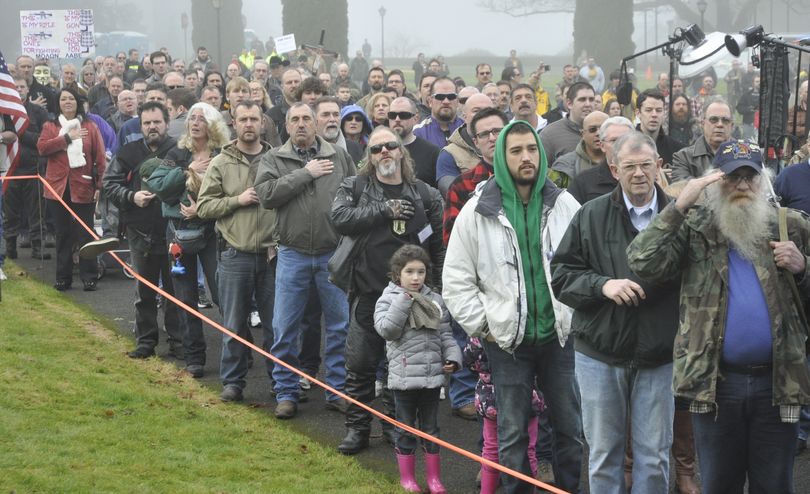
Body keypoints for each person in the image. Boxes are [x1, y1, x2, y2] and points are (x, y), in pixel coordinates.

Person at [627, 139, 810, 494]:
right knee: (718, 484)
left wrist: (804, 268)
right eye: (731, 177)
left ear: (763, 180)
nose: (741, 185)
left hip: (778, 384)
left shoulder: (790, 227)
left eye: (750, 177)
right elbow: (641, 261)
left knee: (774, 485)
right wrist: (679, 205)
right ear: (714, 180)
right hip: (713, 385)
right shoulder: (694, 229)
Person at [442, 121, 583, 493]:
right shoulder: (477, 211)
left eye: (532, 149)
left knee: (571, 429)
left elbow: (587, 263)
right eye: (516, 150)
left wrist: (575, 315)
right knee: (512, 434)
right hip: (506, 342)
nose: (526, 158)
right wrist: (486, 326)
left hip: (559, 337)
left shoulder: (564, 203)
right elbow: (456, 280)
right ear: (501, 158)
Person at [551, 131, 679, 493]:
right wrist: (602, 286)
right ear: (613, 169)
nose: (638, 173)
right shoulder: (590, 215)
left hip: (659, 355)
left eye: (645, 165)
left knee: (654, 457)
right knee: (604, 456)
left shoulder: (678, 218)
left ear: (659, 166)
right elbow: (561, 277)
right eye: (629, 166)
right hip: (599, 355)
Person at [331, 126, 444, 456]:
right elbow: (339, 218)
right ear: (368, 157)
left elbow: (436, 244)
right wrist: (383, 210)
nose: (384, 153)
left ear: (401, 152)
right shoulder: (355, 186)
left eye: (390, 146)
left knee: (401, 370)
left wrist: (434, 289)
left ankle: (396, 429)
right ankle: (357, 429)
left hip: (410, 298)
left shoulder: (425, 193)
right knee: (360, 365)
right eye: (376, 148)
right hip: (368, 293)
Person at [254, 102, 356, 419]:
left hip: (332, 254)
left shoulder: (338, 156)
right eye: (295, 119)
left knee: (339, 326)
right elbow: (266, 194)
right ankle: (286, 392)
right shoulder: (273, 158)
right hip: (292, 254)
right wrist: (304, 174)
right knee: (284, 327)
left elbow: (356, 192)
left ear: (315, 124)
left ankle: (336, 390)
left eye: (306, 119)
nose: (301, 124)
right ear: (286, 126)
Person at [197, 101, 277, 402]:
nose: (248, 124)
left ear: (263, 123)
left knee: (275, 326)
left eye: (254, 119)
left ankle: (280, 382)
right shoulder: (222, 162)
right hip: (234, 254)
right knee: (233, 323)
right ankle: (232, 382)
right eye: (243, 119)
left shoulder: (276, 159)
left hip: (271, 256)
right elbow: (204, 207)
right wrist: (236, 200)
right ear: (234, 123)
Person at [145, 102, 228, 378]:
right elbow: (157, 186)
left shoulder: (223, 153)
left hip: (214, 231)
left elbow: (232, 191)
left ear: (212, 125)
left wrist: (201, 209)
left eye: (201, 119)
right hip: (178, 233)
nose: (194, 123)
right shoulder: (178, 152)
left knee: (222, 294)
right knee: (185, 297)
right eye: (191, 118)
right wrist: (186, 171)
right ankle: (194, 358)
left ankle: (238, 351)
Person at [375, 244, 461, 494]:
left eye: (421, 272)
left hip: (432, 378)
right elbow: (387, 330)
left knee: (432, 430)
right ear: (397, 274)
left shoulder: (435, 300)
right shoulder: (388, 299)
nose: (415, 278)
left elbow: (446, 335)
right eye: (409, 272)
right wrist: (404, 300)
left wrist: (453, 358)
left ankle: (434, 479)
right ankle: (407, 479)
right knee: (404, 429)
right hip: (403, 380)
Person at [104, 101, 183, 359]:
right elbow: (109, 183)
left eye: (156, 122)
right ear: (141, 125)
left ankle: (179, 340)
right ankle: (146, 341)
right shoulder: (128, 151)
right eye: (147, 123)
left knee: (175, 290)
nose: (152, 127)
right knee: (145, 290)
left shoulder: (180, 150)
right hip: (140, 232)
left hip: (175, 231)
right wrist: (131, 196)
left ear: (166, 123)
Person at [37, 87, 106, 291]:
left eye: (71, 99)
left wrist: (99, 185)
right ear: (58, 102)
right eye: (63, 99)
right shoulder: (50, 126)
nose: (67, 102)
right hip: (57, 187)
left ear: (78, 102)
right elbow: (42, 148)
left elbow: (100, 158)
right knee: (63, 233)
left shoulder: (90, 126)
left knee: (85, 233)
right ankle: (63, 277)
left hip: (83, 186)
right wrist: (67, 138)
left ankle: (89, 276)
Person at [463, 336, 545, 493]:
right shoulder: (528, 330)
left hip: (492, 398)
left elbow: (471, 359)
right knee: (527, 450)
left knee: (492, 449)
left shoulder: (483, 328)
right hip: (525, 396)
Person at [4, 76, 51, 262]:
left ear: (27, 90)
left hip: (33, 169)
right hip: (9, 169)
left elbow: (45, 139)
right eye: (15, 86)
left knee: (36, 212)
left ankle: (37, 247)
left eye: (22, 86)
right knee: (10, 213)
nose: (19, 89)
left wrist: (20, 133)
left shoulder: (38, 112)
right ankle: (10, 247)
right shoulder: (4, 113)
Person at [670, 98, 734, 182]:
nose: (720, 124)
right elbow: (682, 190)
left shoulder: (745, 156)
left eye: (725, 120)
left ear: (732, 126)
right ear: (702, 124)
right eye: (713, 120)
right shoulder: (683, 158)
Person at [549, 110, 607, 188]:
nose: (598, 133)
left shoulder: (622, 162)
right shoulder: (564, 166)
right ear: (583, 134)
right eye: (592, 129)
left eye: (603, 129)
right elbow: (551, 196)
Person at [540, 82, 595, 163]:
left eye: (591, 99)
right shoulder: (549, 135)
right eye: (582, 99)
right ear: (569, 103)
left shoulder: (605, 131)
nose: (588, 104)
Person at [414, 77, 464, 148]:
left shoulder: (468, 130)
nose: (446, 101)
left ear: (457, 101)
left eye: (451, 96)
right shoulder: (418, 133)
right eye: (440, 97)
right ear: (430, 101)